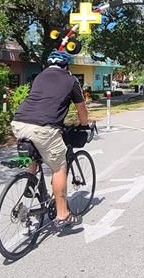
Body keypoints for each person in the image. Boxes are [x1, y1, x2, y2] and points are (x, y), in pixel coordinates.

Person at [11, 50, 90, 231]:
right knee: (59, 166)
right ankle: (63, 215)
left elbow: (41, 101)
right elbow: (81, 109)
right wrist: (84, 125)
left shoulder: (39, 77)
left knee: (36, 153)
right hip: (45, 127)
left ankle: (31, 182)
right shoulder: (71, 80)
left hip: (19, 123)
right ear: (66, 66)